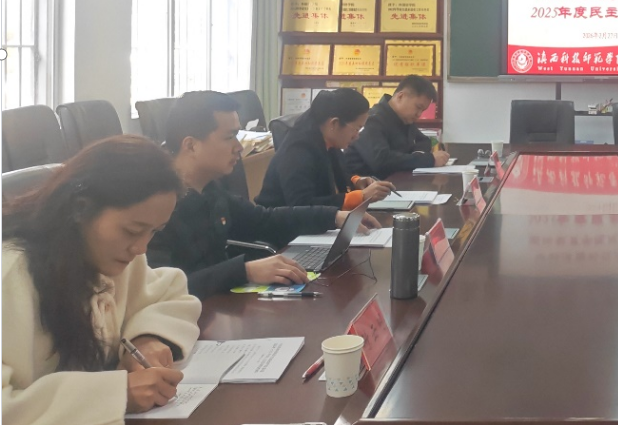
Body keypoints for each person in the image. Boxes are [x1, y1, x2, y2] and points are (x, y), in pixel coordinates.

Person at [2, 136, 202, 423]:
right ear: (80, 208)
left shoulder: (112, 254)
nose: (141, 248)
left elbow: (169, 294)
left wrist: (146, 339)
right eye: (132, 230)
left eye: (154, 231)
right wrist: (117, 394)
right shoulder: (12, 275)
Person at [148, 91, 381, 300]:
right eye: (229, 137)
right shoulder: (155, 207)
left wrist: (334, 217)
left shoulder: (210, 189)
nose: (239, 147)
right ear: (191, 145)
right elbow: (159, 289)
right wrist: (244, 271)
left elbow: (265, 220)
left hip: (218, 308)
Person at [256, 88, 394, 209]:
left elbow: (332, 175)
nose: (357, 136)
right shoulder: (297, 151)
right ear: (334, 123)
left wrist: (356, 181)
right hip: (283, 227)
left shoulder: (327, 142)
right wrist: (361, 196)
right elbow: (302, 205)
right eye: (356, 129)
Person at [345, 75, 450, 177]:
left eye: (422, 110)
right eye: (418, 107)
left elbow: (424, 141)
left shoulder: (405, 119)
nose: (419, 114)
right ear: (400, 96)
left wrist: (417, 155)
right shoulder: (373, 120)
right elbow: (381, 160)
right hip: (364, 184)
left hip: (395, 181)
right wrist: (428, 160)